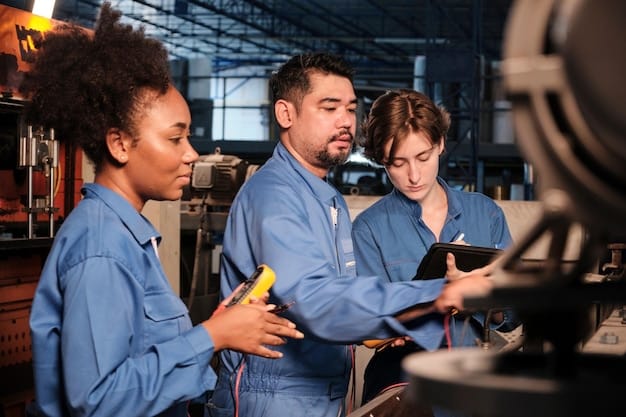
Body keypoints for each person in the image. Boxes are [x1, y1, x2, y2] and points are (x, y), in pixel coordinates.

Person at [23, 4, 303, 417]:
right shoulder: (101, 247)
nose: (192, 154)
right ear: (119, 144)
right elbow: (98, 400)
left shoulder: (125, 234)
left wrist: (222, 326)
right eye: (175, 139)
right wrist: (211, 336)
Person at [207, 52, 496, 417]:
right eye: (329, 108)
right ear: (286, 114)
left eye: (349, 108)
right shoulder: (275, 195)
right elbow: (318, 302)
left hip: (322, 392)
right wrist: (438, 293)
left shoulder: (326, 198)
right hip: (274, 397)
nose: (345, 121)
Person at [352, 88, 517, 410]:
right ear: (380, 161)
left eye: (423, 157)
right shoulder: (369, 229)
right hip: (400, 386)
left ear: (440, 144)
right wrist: (436, 297)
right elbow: (366, 325)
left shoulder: (486, 214)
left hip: (474, 383)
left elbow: (511, 315)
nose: (413, 176)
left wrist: (480, 298)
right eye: (397, 163)